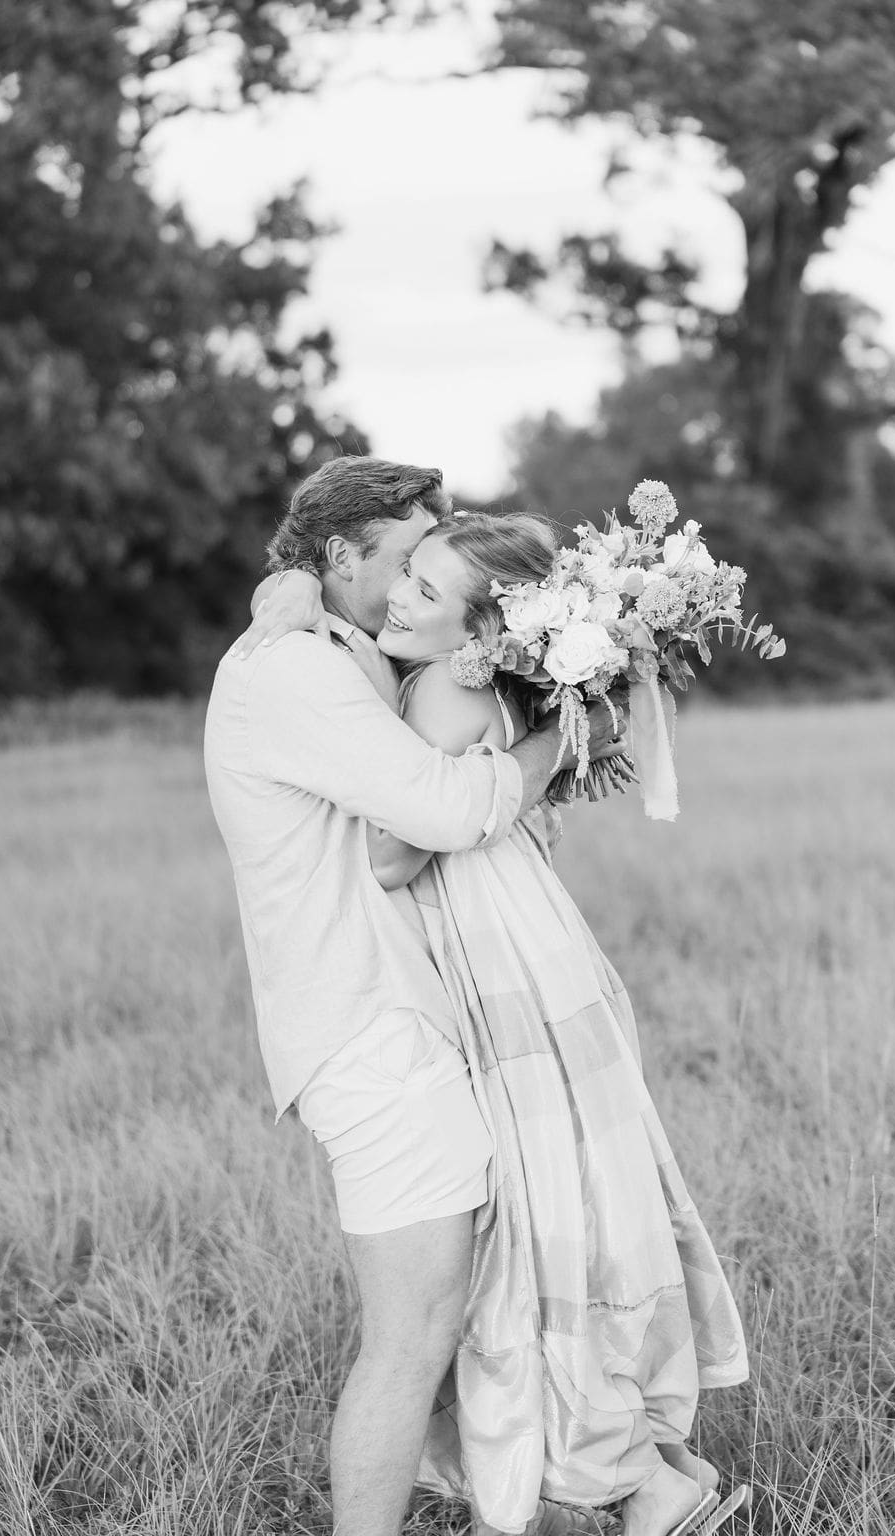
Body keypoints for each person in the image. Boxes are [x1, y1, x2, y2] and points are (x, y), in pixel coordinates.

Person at [246, 502, 751, 1536]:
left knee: (533, 1219)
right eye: (404, 575)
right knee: (568, 1203)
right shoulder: (472, 678)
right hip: (540, 944)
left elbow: (391, 856)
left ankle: (615, 1474)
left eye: (426, 591)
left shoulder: (438, 689)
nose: (400, 597)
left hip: (492, 959)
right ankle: (623, 1465)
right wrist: (288, 587)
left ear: (483, 637)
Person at [204, 457, 628, 1536]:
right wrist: (557, 740)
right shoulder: (291, 669)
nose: (408, 588)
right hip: (370, 1035)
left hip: (409, 1023)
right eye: (401, 560)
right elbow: (433, 814)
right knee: (413, 1335)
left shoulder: (336, 644)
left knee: (462, 1318)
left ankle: (539, 1492)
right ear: (341, 554)